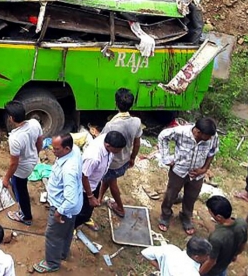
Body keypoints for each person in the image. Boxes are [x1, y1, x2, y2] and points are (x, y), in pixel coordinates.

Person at [157, 118, 219, 235]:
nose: (210, 138)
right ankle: (165, 215)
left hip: (197, 175)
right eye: (208, 136)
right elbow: (162, 136)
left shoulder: (213, 136)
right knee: (171, 194)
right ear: (198, 132)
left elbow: (212, 151)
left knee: (191, 197)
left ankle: (186, 216)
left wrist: (204, 169)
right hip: (179, 170)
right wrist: (166, 158)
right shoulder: (181, 132)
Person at [32, 134, 82, 273]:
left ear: (67, 148)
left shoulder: (68, 170)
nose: (53, 151)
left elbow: (70, 200)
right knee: (66, 232)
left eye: (56, 149)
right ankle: (62, 253)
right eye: (52, 147)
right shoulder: (75, 150)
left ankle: (52, 263)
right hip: (73, 207)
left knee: (52, 235)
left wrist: (59, 212)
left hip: (63, 206)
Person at [100, 88, 142, 219]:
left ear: (115, 103)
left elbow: (102, 144)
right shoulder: (136, 122)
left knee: (112, 184)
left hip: (112, 163)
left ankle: (120, 208)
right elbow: (137, 143)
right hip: (125, 160)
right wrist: (133, 158)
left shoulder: (110, 125)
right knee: (107, 180)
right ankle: (99, 197)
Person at [0, 101, 43, 226]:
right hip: (32, 160)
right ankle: (23, 209)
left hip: (22, 168)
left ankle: (26, 217)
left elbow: (14, 163)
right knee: (20, 186)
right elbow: (40, 141)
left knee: (20, 189)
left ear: (11, 118)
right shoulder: (34, 124)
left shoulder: (15, 138)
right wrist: (35, 154)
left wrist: (6, 178)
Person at [77, 131, 126, 228]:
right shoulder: (94, 157)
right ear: (108, 146)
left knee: (89, 208)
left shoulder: (105, 138)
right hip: (84, 188)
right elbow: (84, 176)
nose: (119, 152)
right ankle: (73, 226)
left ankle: (86, 218)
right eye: (117, 150)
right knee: (82, 209)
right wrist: (90, 196)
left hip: (95, 182)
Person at [201, 196, 248, 276]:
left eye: (210, 212)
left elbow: (211, 261)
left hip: (212, 271)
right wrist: (235, 254)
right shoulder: (242, 223)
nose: (209, 214)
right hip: (224, 264)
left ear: (218, 217)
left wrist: (199, 273)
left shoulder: (216, 238)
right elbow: (243, 244)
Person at [142, 237, 212, 275]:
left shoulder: (170, 249)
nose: (208, 258)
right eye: (207, 255)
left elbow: (146, 253)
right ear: (196, 257)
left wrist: (160, 267)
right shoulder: (192, 273)